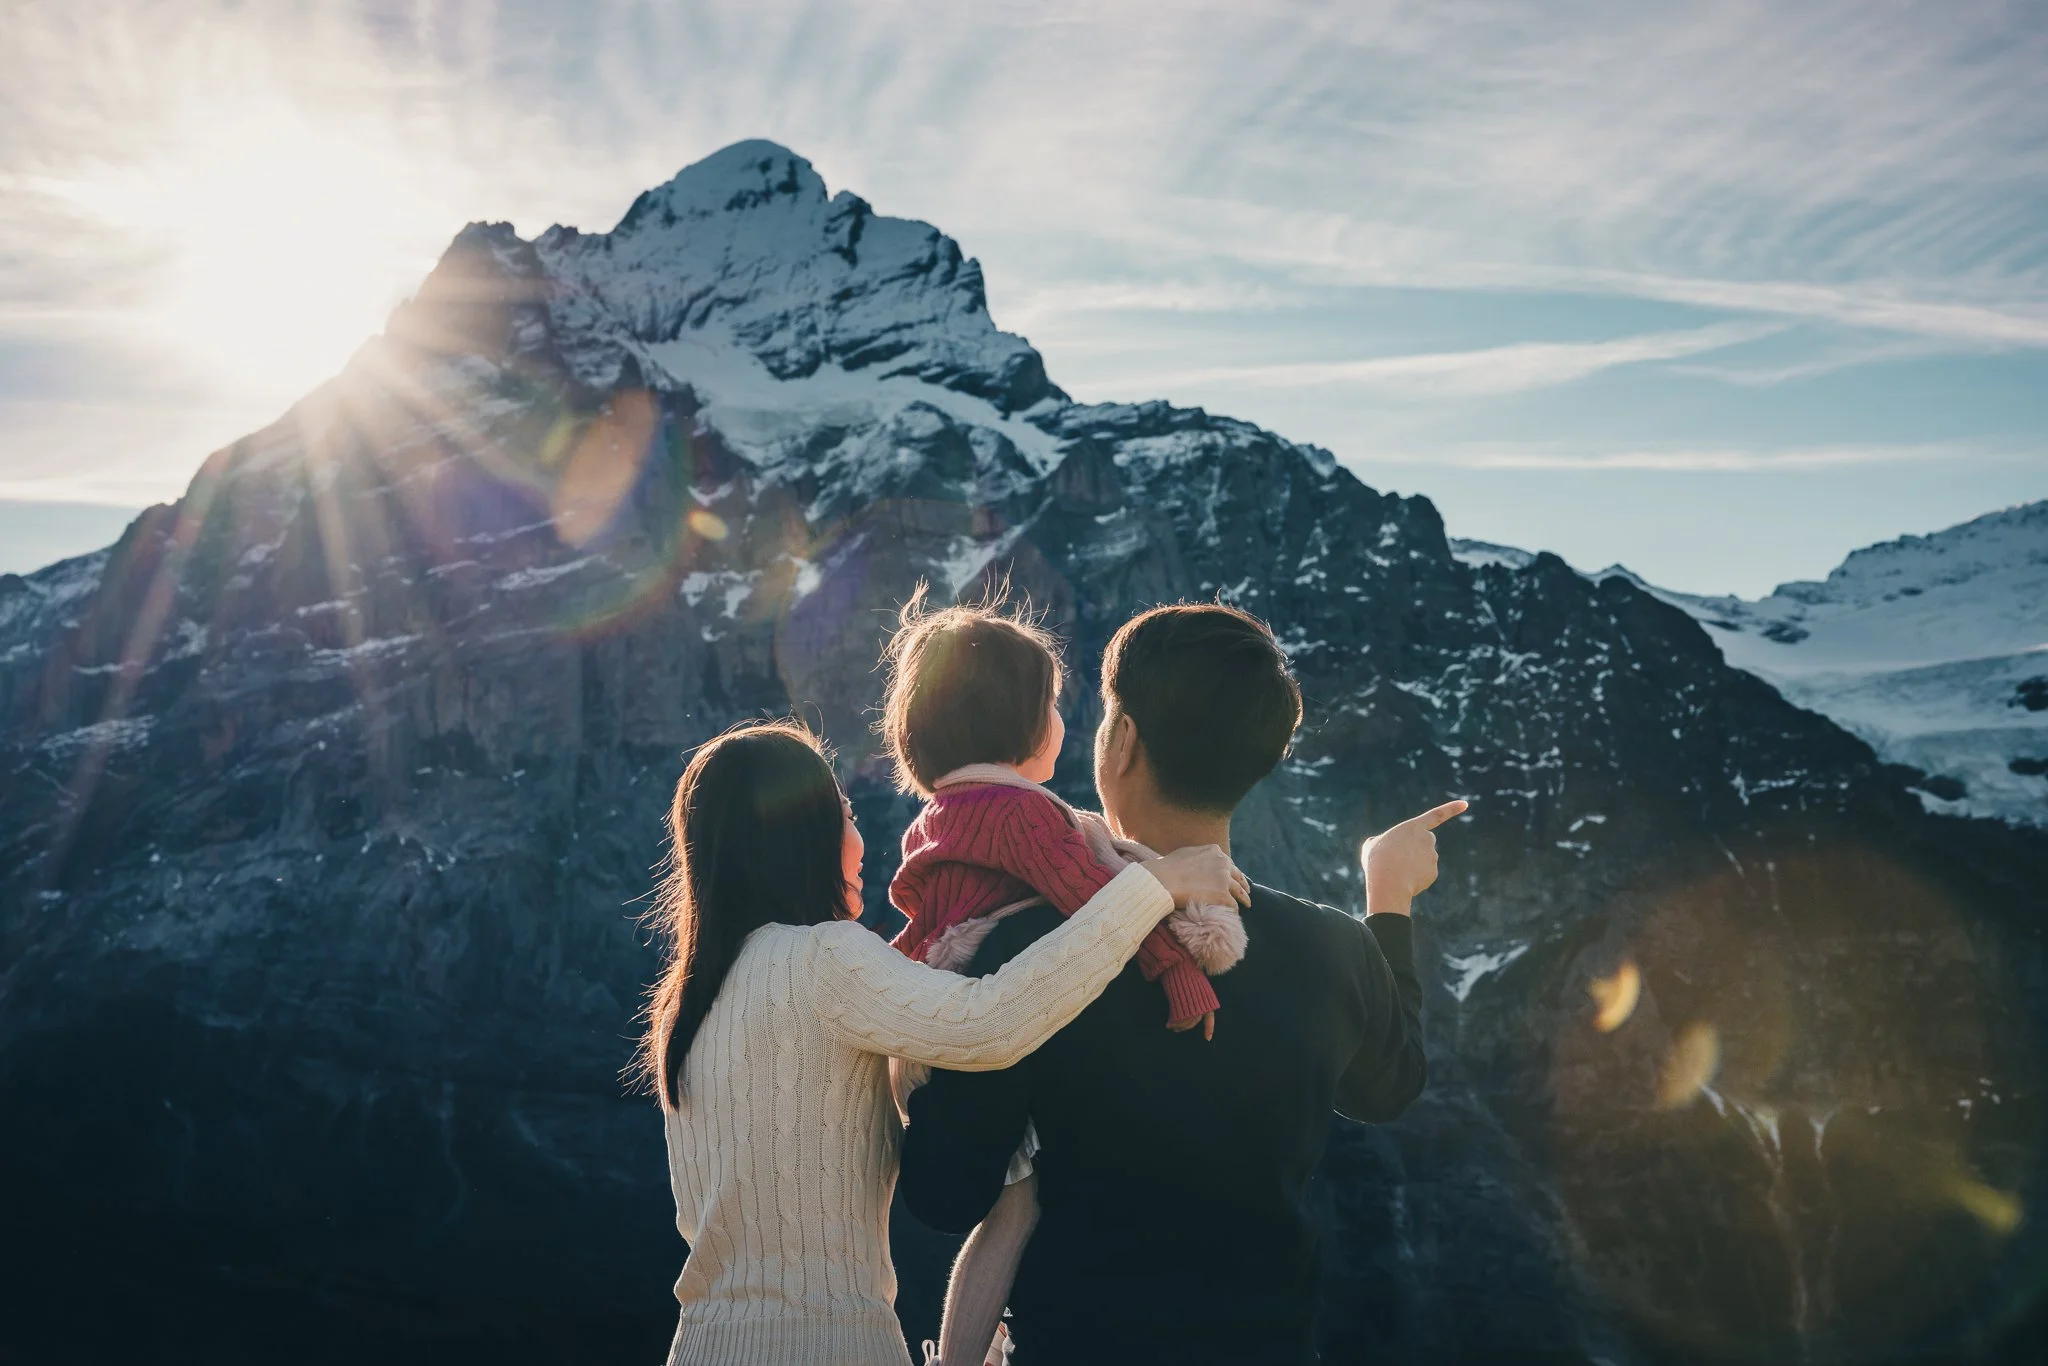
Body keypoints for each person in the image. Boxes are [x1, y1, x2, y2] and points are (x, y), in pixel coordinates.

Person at [899, 604, 1462, 1365]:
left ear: (1122, 742)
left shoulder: (1032, 951)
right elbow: (1388, 1086)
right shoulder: (1334, 949)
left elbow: (946, 1192)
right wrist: (1387, 898)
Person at [635, 717, 1248, 1366]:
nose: (858, 835)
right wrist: (1149, 890)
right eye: (843, 811)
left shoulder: (691, 1000)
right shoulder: (821, 959)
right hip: (827, 1345)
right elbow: (989, 1024)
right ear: (801, 834)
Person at [874, 588, 1250, 1364]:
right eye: (1051, 703)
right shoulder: (1026, 816)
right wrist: (1179, 970)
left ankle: (955, 1356)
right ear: (1024, 723)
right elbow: (1093, 895)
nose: (1064, 722)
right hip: (980, 1016)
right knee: (1021, 1208)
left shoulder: (941, 813)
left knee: (1007, 1211)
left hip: (921, 1021)